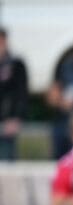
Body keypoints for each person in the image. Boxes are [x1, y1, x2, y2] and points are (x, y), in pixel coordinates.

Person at [0, 26, 29, 161]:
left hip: (7, 121)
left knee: (6, 159)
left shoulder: (16, 64)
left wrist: (17, 117)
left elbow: (21, 94)